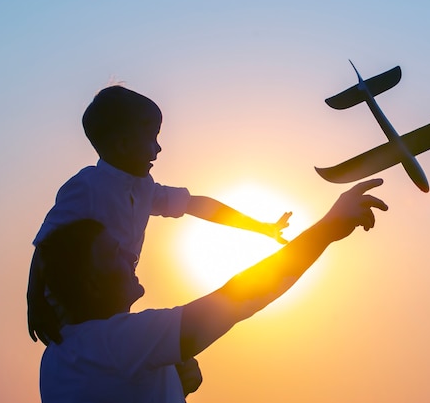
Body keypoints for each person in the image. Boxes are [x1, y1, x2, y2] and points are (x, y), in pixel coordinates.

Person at [26, 85, 291, 395]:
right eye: (151, 137)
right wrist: (34, 301)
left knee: (162, 365)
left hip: (113, 298)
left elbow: (197, 205)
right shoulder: (87, 186)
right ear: (122, 143)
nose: (158, 149)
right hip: (80, 303)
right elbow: (46, 243)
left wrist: (261, 227)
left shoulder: (145, 189)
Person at [37, 179, 388, 403]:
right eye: (113, 253)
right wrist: (328, 228)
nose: (129, 255)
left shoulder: (57, 358)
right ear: (90, 282)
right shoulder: (115, 343)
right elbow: (240, 297)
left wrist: (172, 386)